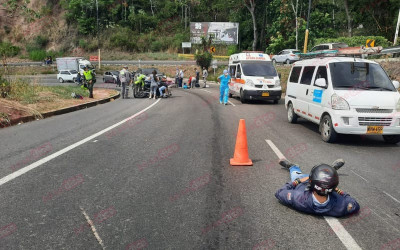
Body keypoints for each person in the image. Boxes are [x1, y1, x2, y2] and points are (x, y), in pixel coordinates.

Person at [275, 159, 360, 217]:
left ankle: (293, 167)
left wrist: (298, 181)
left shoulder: (298, 198)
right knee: (327, 175)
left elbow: (280, 192)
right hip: (319, 182)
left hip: (303, 182)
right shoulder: (341, 206)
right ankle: (331, 170)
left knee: (296, 174)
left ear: (311, 182)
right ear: (333, 187)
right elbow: (354, 204)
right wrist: (338, 191)